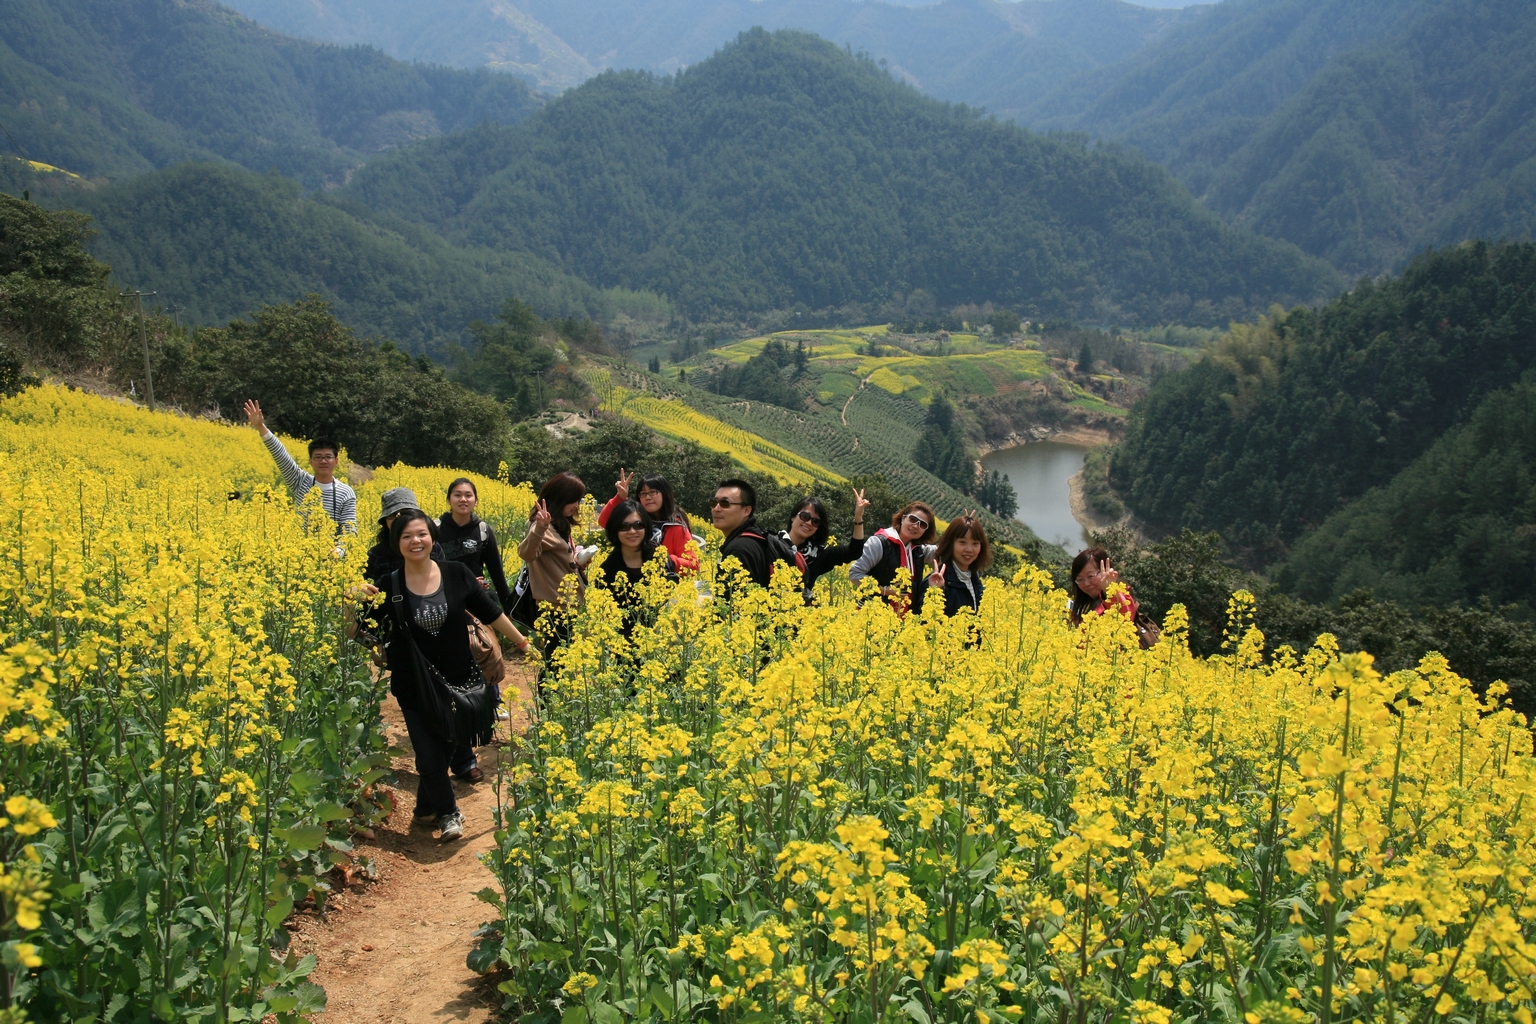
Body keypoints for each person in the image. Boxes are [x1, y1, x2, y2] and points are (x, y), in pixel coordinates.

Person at [348, 511, 528, 840]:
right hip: (413, 684)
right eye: (406, 536)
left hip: (459, 681)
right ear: (396, 543)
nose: (415, 541)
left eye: (421, 534)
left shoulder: (456, 574)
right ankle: (449, 815)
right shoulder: (389, 585)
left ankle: (424, 810)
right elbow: (358, 631)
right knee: (429, 758)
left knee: (445, 749)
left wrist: (521, 641)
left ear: (432, 538)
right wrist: (350, 600)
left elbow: (491, 612)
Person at [244, 399, 356, 534]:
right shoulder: (301, 482)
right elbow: (281, 456)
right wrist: (261, 427)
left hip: (332, 553)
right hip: (302, 552)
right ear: (311, 461)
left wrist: (338, 551)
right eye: (318, 457)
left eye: (328, 457)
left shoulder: (346, 492)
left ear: (336, 461)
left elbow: (349, 530)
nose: (323, 461)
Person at [517, 472, 590, 643]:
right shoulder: (542, 527)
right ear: (560, 497)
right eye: (574, 500)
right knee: (556, 661)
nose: (577, 506)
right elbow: (526, 554)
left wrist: (577, 561)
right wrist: (540, 528)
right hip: (554, 608)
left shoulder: (560, 525)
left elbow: (557, 561)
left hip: (568, 604)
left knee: (561, 661)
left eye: (579, 500)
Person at [597, 500, 680, 637]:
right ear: (615, 530)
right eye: (624, 527)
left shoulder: (659, 557)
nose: (632, 531)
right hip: (622, 648)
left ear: (646, 527)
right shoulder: (606, 570)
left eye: (638, 525)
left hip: (661, 641)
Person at [778, 488, 871, 602]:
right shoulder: (771, 545)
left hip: (798, 616)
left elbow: (854, 552)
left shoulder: (818, 556)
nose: (809, 523)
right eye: (805, 516)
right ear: (793, 517)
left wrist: (858, 517)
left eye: (815, 521)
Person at [597, 470, 699, 572]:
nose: (648, 497)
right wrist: (620, 497)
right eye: (643, 493)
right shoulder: (636, 519)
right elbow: (605, 522)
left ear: (665, 493)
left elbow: (693, 565)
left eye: (653, 492)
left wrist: (662, 558)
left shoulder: (677, 527)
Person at [849, 501, 939, 616]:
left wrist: (964, 528)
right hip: (871, 616)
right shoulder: (879, 543)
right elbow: (855, 573)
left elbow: (946, 552)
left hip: (904, 620)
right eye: (912, 519)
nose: (916, 526)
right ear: (903, 518)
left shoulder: (919, 550)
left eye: (922, 525)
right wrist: (885, 591)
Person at [437, 477, 513, 610]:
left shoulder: (483, 530)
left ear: (476, 501)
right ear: (448, 500)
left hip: (475, 598)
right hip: (443, 599)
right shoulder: (435, 529)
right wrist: (467, 583)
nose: (463, 499)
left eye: (468, 495)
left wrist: (509, 609)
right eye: (457, 495)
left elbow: (496, 572)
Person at [365, 487, 444, 583]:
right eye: (392, 515)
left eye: (404, 513)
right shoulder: (377, 555)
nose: (399, 519)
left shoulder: (432, 547)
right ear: (385, 521)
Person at [711, 478, 771, 591]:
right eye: (714, 503)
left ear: (746, 510)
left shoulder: (738, 549)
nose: (716, 509)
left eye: (725, 503)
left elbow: (731, 604)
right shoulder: (757, 537)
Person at [925, 512, 990, 616]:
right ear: (950, 543)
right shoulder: (936, 580)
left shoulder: (974, 578)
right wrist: (935, 592)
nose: (969, 549)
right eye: (962, 542)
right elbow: (925, 623)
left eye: (975, 544)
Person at [1067, 547, 1138, 627]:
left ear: (1105, 571)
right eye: (1080, 579)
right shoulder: (1087, 603)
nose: (1086, 584)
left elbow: (1125, 618)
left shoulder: (1120, 594)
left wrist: (1110, 591)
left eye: (1090, 576)